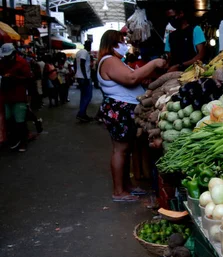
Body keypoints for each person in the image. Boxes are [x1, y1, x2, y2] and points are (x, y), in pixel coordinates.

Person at [96, 30, 166, 202]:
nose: (124, 45)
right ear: (112, 44)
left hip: (124, 109)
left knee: (126, 150)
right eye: (121, 42)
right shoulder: (109, 60)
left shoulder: (115, 61)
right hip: (118, 109)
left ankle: (126, 186)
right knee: (120, 149)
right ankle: (118, 191)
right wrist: (154, 63)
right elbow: (131, 78)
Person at [0, 43, 33, 152]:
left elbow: (28, 79)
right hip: (6, 96)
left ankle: (23, 142)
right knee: (8, 119)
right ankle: (14, 140)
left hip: (19, 96)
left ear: (14, 53)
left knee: (20, 121)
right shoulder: (3, 63)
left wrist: (14, 78)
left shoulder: (22, 63)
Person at [164, 5, 206, 72]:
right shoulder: (170, 36)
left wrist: (180, 66)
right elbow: (169, 58)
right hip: (175, 74)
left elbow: (201, 55)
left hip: (192, 72)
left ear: (181, 14)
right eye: (169, 19)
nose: (171, 21)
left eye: (173, 17)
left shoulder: (195, 30)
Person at [74, 40, 93, 122]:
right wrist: (85, 77)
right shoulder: (85, 52)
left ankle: (83, 114)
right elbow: (82, 63)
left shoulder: (79, 52)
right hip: (84, 77)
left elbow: (75, 64)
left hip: (80, 76)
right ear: (88, 45)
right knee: (88, 96)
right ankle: (81, 113)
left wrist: (76, 73)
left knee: (83, 96)